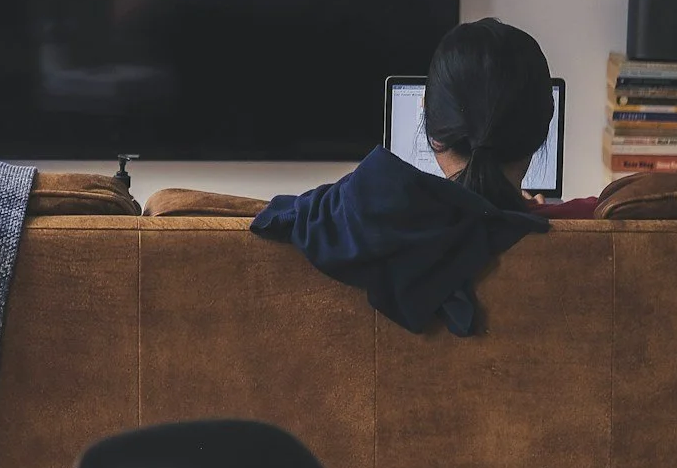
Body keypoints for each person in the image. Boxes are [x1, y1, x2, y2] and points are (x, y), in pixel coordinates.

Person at [248, 17, 589, 337]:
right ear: (545, 125)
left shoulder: (346, 224)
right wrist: (527, 212)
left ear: (433, 132)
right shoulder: (589, 227)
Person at [421, 18, 598, 219]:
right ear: (542, 126)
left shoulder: (388, 226)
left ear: (435, 134)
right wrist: (532, 210)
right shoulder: (598, 219)